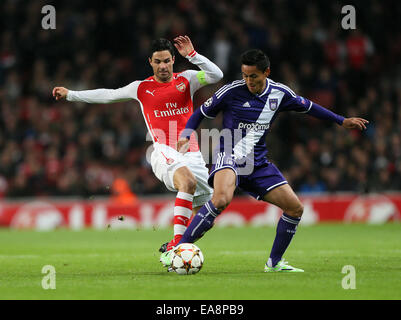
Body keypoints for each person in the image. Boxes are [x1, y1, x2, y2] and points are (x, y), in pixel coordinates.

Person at [160, 49, 368, 272]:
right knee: (221, 199)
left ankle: (274, 263)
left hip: (258, 163)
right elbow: (200, 112)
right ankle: (178, 249)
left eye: (254, 76)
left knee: (295, 208)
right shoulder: (231, 91)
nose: (248, 81)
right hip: (229, 156)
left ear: (266, 72)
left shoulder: (280, 93)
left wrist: (341, 120)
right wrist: (185, 134)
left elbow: (309, 107)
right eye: (245, 75)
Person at [52, 36, 224, 251]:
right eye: (157, 62)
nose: (162, 66)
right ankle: (178, 245)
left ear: (173, 60)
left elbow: (217, 75)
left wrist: (192, 55)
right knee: (187, 182)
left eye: (166, 61)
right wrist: (71, 95)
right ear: (150, 62)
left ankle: (176, 248)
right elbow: (109, 95)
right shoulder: (141, 88)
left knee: (206, 217)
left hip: (192, 154)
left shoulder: (188, 79)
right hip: (162, 150)